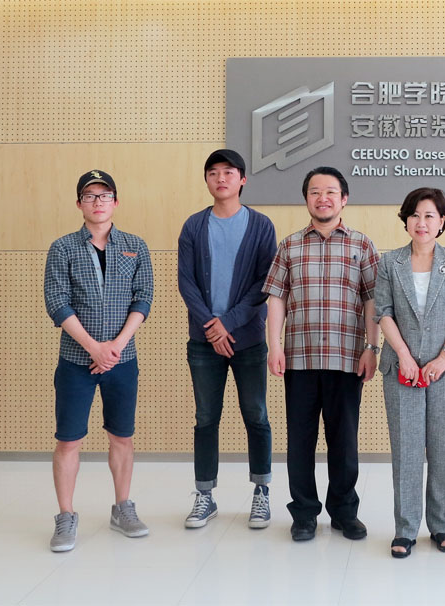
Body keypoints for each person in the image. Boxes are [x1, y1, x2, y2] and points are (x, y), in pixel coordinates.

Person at [263, 167, 380, 542]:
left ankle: (345, 512)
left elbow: (373, 301)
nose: (323, 198)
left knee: (344, 441)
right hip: (299, 358)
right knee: (299, 440)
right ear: (306, 199)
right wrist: (275, 345)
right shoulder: (290, 245)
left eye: (330, 192)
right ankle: (304, 514)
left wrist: (372, 347)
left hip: (347, 358)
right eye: (315, 192)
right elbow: (276, 298)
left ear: (344, 199)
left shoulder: (362, 244)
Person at [44, 170, 154, 552]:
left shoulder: (135, 246)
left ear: (116, 202)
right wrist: (93, 347)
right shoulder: (62, 248)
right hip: (76, 361)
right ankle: (65, 516)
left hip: (123, 361)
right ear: (79, 204)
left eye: (105, 195)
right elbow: (57, 302)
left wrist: (116, 346)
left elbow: (143, 297)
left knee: (122, 437)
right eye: (90, 196)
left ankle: (123, 508)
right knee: (68, 440)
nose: (98, 202)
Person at [177, 149, 277, 530]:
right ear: (206, 180)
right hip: (203, 342)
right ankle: (205, 495)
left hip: (247, 339)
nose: (221, 179)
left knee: (256, 415)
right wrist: (211, 326)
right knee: (206, 418)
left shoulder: (261, 225)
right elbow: (186, 281)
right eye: (213, 173)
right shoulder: (193, 226)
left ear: (242, 179)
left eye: (229, 172)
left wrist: (228, 324)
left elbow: (264, 283)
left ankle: (261, 492)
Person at [374, 188, 445, 558]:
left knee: (442, 448)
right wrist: (403, 355)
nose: (421, 222)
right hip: (402, 368)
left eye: (430, 215)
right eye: (415, 215)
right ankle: (405, 529)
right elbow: (383, 311)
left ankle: (441, 524)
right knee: (407, 448)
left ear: (442, 221)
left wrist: (443, 357)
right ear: (406, 220)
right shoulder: (390, 262)